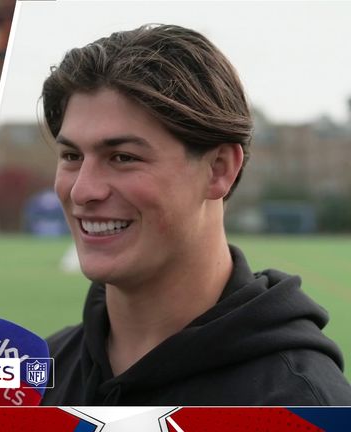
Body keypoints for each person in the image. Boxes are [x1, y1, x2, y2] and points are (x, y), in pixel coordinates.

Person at [39, 24, 351, 405]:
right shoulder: (32, 377)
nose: (83, 190)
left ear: (219, 169)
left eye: (123, 158)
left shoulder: (301, 405)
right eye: (72, 156)